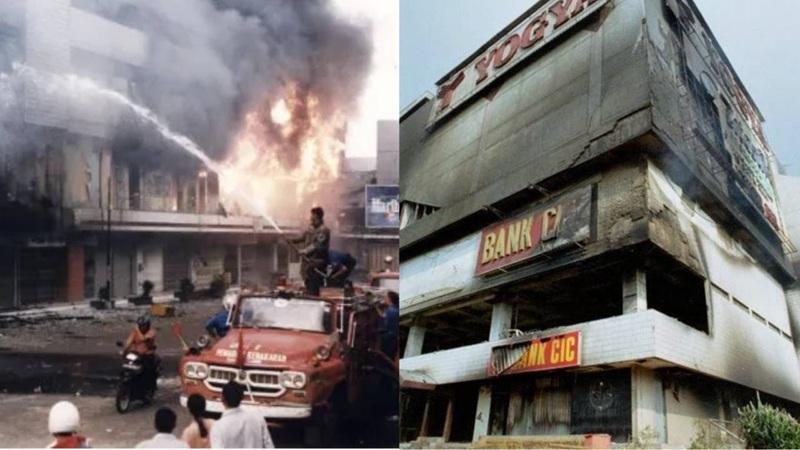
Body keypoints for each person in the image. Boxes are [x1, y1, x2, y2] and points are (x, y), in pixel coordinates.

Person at [210, 381, 274, 448]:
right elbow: (269, 446)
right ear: (242, 397)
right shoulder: (258, 418)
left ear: (222, 398)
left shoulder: (218, 427)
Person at [290, 206, 330, 295]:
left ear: (318, 217)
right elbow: (302, 238)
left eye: (313, 217)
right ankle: (309, 290)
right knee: (304, 274)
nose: (311, 219)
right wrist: (292, 240)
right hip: (307, 260)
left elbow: (317, 245)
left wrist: (304, 251)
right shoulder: (310, 229)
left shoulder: (324, 230)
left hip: (318, 260)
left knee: (313, 276)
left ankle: (314, 293)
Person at [124, 315, 158, 391]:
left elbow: (143, 339)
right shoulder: (135, 332)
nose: (142, 327)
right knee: (126, 365)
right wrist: (125, 350)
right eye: (140, 325)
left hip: (147, 355)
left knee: (147, 371)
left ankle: (149, 387)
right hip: (136, 354)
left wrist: (137, 330)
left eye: (143, 325)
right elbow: (129, 342)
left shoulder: (151, 332)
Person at [381, 291, 399, 359]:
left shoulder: (388, 311)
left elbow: (384, 324)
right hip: (395, 337)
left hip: (388, 337)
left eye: (385, 297)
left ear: (389, 299)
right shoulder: (396, 309)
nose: (384, 299)